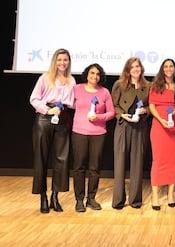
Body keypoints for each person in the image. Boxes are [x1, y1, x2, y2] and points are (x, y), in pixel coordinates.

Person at [29, 48, 76, 213]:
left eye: (65, 60)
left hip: (63, 119)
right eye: (59, 60)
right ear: (54, 61)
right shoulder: (45, 78)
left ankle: (55, 197)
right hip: (44, 119)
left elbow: (73, 102)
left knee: (62, 160)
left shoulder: (71, 80)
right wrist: (47, 110)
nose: (62, 63)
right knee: (41, 159)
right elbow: (33, 99)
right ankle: (43, 196)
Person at [71, 63, 115, 212]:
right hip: (79, 132)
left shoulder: (104, 92)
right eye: (92, 73)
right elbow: (67, 104)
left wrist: (99, 117)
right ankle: (79, 200)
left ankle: (91, 198)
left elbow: (111, 113)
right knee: (78, 167)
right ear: (87, 74)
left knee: (94, 168)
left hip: (98, 133)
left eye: (97, 74)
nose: (94, 76)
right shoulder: (76, 89)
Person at [111, 57, 151, 210]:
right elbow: (114, 105)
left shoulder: (148, 86)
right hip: (123, 126)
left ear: (141, 68)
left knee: (137, 164)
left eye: (138, 66)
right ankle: (118, 201)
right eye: (132, 66)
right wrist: (121, 114)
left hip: (140, 127)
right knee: (120, 164)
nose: (135, 69)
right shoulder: (119, 85)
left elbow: (150, 106)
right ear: (127, 69)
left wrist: (145, 110)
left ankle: (135, 200)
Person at [148, 58, 175, 210]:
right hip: (159, 127)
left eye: (171, 66)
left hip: (174, 128)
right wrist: (161, 120)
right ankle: (155, 196)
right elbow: (151, 106)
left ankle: (171, 194)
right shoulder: (155, 86)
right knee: (158, 160)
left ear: (174, 69)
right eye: (166, 66)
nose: (168, 69)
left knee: (172, 160)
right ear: (162, 69)